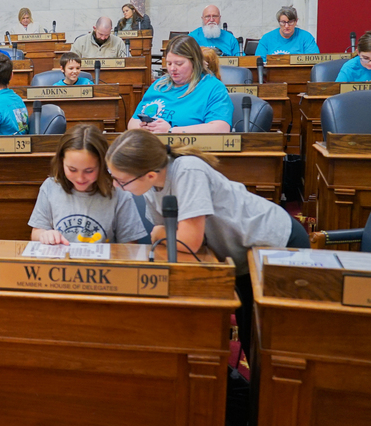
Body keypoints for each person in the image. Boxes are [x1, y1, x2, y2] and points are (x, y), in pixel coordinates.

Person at [105, 129, 309, 346]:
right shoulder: (149, 187)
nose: (117, 186)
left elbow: (186, 240)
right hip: (240, 255)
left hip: (277, 242)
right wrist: (166, 233)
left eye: (121, 181)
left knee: (272, 338)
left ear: (150, 174)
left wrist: (163, 233)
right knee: (251, 332)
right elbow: (171, 235)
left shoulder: (188, 171)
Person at [29, 125, 147, 245]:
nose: (80, 178)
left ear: (102, 165)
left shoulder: (118, 192)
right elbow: (36, 232)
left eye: (89, 171)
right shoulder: (50, 187)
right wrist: (45, 235)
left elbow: (130, 244)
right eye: (72, 169)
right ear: (61, 162)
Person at [128, 35, 232, 134]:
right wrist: (143, 127)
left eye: (179, 64)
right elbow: (133, 122)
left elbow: (221, 128)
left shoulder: (213, 88)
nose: (172, 69)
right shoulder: (159, 85)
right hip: (150, 145)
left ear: (195, 63)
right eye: (169, 63)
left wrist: (171, 131)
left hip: (187, 149)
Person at [255, 6, 319, 57]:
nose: (286, 26)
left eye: (290, 22)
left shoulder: (306, 37)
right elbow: (259, 62)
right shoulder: (266, 38)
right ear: (279, 22)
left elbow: (312, 60)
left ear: (296, 21)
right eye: (283, 22)